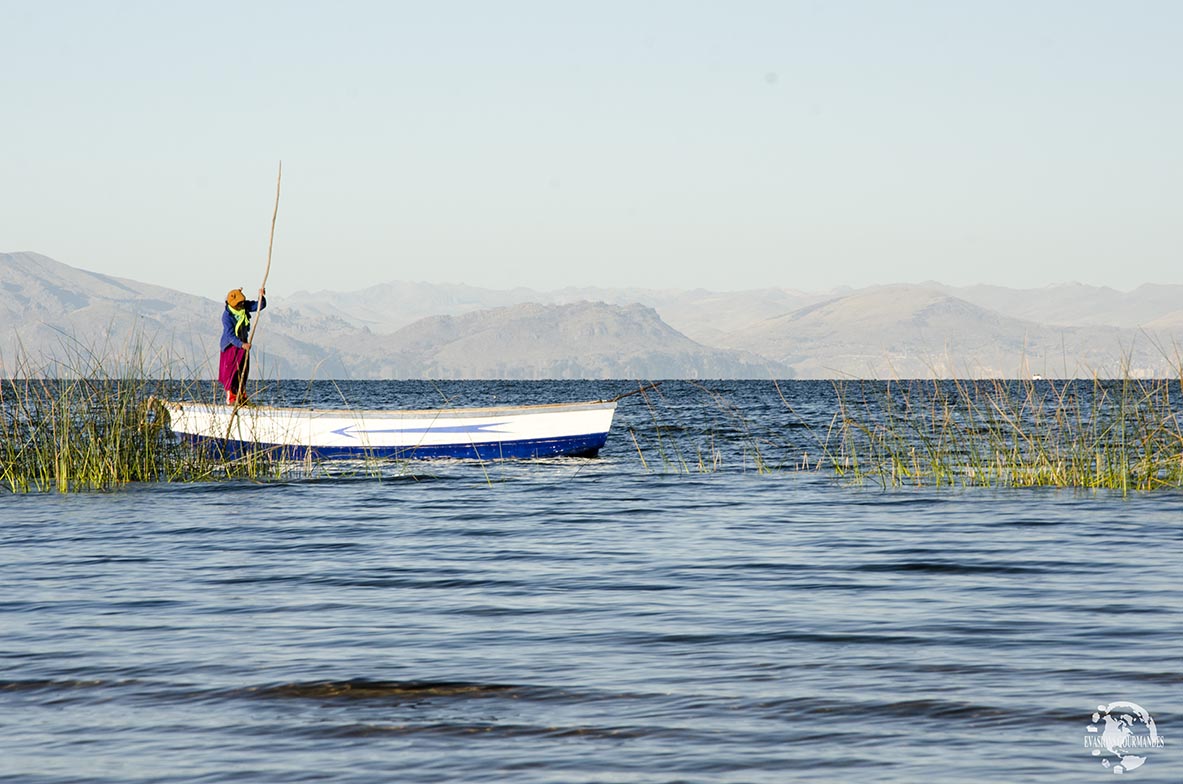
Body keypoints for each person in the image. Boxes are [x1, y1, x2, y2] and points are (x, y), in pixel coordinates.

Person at [219, 287, 266, 405]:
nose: (241, 305)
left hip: (242, 344)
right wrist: (242, 344)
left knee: (243, 370)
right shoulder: (227, 316)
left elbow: (260, 306)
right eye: (239, 304)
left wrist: (261, 296)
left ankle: (241, 396)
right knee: (232, 372)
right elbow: (230, 335)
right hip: (231, 346)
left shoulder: (244, 307)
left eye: (242, 303)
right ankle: (231, 397)